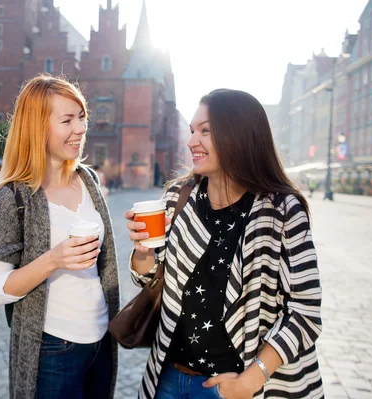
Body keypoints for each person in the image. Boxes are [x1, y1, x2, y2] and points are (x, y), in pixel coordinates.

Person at [125, 89, 323, 399]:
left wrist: (251, 380)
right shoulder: (180, 197)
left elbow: (305, 311)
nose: (192, 141)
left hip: (238, 386)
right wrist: (142, 252)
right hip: (169, 377)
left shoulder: (281, 210)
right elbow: (149, 279)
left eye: (206, 131)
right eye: (192, 131)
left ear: (239, 135)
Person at [0, 75, 120, 399]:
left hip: (100, 341)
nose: (81, 128)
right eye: (67, 120)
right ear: (37, 127)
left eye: (82, 117)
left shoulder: (89, 180)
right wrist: (53, 259)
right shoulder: (13, 195)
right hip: (53, 347)